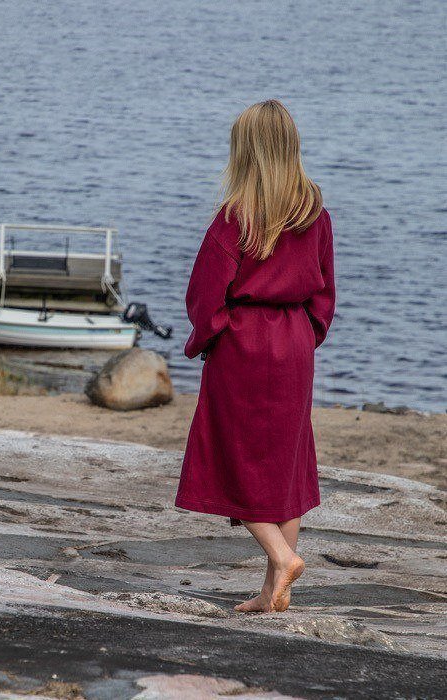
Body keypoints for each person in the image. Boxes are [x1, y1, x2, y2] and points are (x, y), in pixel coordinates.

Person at [175, 100, 336, 613]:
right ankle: (272, 591)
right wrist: (305, 333)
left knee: (232, 456)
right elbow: (325, 294)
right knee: (285, 464)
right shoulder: (316, 216)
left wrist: (212, 336)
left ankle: (283, 559)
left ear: (245, 153)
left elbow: (205, 297)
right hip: (294, 345)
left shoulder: (234, 219)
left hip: (243, 344)